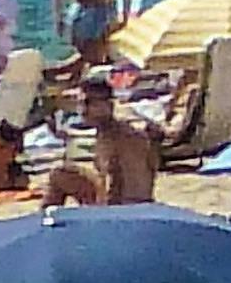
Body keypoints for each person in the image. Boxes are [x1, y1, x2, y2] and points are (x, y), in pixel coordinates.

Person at [39, 72, 193, 206]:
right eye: (80, 103)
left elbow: (121, 187)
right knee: (59, 174)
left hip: (125, 207)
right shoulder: (108, 127)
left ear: (108, 103)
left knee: (60, 176)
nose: (82, 111)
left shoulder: (123, 135)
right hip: (121, 199)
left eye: (88, 103)